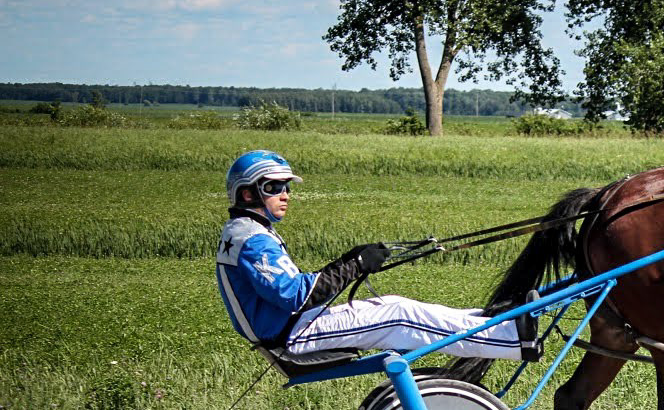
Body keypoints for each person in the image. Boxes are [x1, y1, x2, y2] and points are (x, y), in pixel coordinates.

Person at [216, 149, 539, 362]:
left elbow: (298, 290)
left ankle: (495, 322)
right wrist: (354, 264)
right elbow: (296, 295)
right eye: (274, 187)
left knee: (393, 305)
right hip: (292, 335)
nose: (285, 195)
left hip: (293, 326)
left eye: (287, 187)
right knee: (400, 315)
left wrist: (350, 260)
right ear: (247, 193)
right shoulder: (251, 239)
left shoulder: (248, 231)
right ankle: (510, 341)